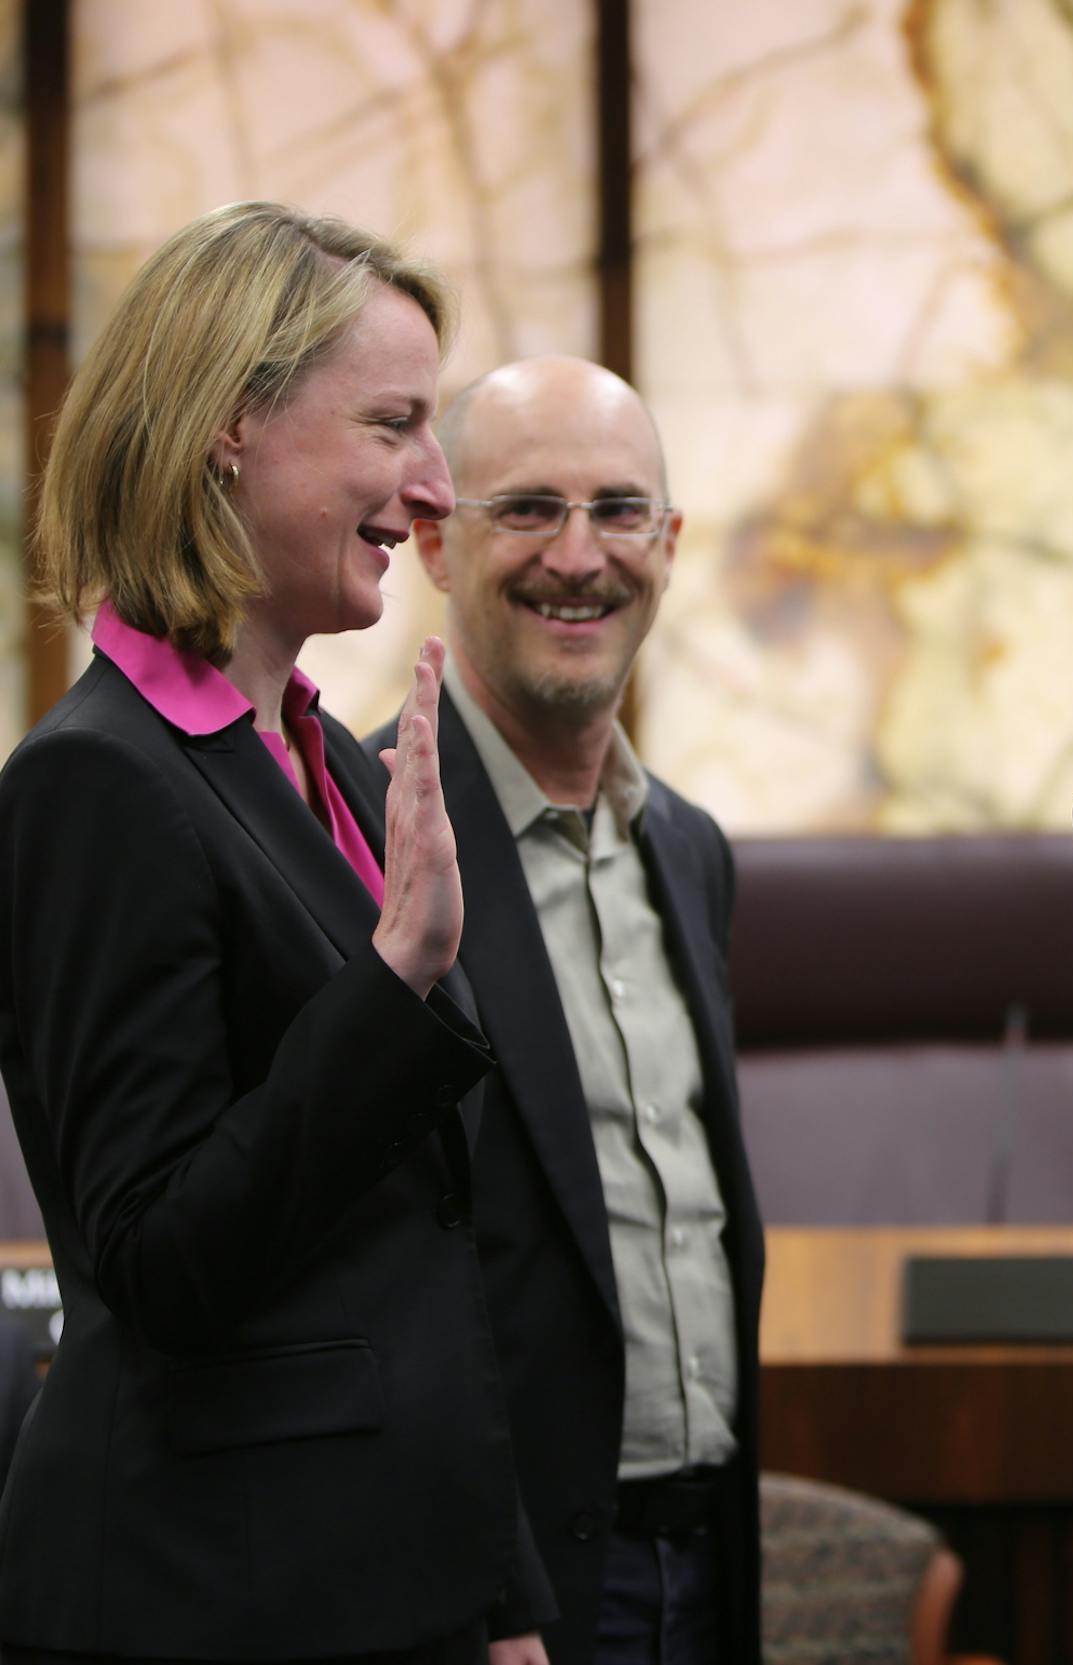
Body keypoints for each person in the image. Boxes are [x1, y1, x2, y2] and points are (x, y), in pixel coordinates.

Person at [0, 202, 551, 1661]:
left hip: (403, 1592)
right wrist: (394, 980)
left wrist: (504, 1601)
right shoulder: (89, 783)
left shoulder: (342, 771)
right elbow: (159, 1254)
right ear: (230, 423)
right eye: (393, 423)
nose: (434, 487)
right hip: (211, 1604)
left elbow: (418, 1250)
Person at [384, 356, 763, 1665]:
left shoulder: (692, 850)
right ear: (435, 539)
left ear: (670, 542)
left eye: (618, 511)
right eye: (528, 509)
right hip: (511, 1600)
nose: (579, 555)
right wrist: (488, 1590)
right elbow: (370, 1281)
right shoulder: (363, 833)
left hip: (709, 1560)